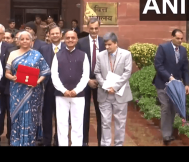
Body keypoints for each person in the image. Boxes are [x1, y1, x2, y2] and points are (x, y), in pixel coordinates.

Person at [5, 31, 51, 146]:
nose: (25, 41)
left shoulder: (37, 54)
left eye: (27, 39)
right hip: (17, 91)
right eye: (22, 39)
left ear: (31, 41)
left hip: (33, 91)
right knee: (16, 116)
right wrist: (13, 78)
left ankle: (30, 142)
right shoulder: (13, 54)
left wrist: (37, 81)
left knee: (31, 117)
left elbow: (45, 71)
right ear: (18, 41)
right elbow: (7, 73)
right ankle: (16, 142)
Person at [51, 30, 90, 146]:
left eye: (73, 38)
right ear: (64, 39)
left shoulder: (83, 55)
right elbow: (54, 75)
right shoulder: (58, 55)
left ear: (77, 39)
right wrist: (64, 90)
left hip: (78, 96)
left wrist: (76, 90)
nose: (70, 40)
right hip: (61, 95)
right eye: (68, 38)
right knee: (62, 124)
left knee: (77, 124)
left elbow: (85, 75)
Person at [94, 32, 133, 146]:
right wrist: (105, 86)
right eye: (105, 44)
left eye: (109, 44)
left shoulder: (126, 54)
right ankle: (105, 144)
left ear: (116, 43)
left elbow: (127, 72)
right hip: (104, 93)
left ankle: (118, 144)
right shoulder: (100, 55)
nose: (107, 47)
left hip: (120, 94)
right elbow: (97, 72)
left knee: (120, 122)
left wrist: (115, 87)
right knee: (105, 122)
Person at [153, 29, 189, 145]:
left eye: (181, 39)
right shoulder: (163, 48)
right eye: (177, 38)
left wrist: (186, 84)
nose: (180, 41)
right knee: (166, 107)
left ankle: (169, 132)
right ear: (172, 37)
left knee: (173, 108)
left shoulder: (183, 51)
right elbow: (158, 65)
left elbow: (185, 69)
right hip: (163, 83)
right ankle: (166, 135)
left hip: (176, 85)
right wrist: (169, 77)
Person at [76, 17, 105, 146]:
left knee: (101, 114)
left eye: (96, 28)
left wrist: (100, 80)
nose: (94, 31)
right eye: (91, 28)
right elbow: (77, 62)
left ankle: (101, 141)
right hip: (84, 81)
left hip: (101, 83)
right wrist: (87, 80)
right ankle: (84, 141)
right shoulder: (81, 42)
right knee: (84, 112)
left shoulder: (105, 42)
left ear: (99, 28)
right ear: (88, 28)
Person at [39, 23, 66, 146]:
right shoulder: (43, 49)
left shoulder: (67, 47)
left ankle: (59, 140)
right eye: (52, 34)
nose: (55, 35)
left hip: (63, 88)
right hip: (47, 87)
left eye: (57, 33)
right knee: (47, 115)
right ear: (48, 35)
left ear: (61, 35)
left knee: (61, 115)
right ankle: (47, 140)